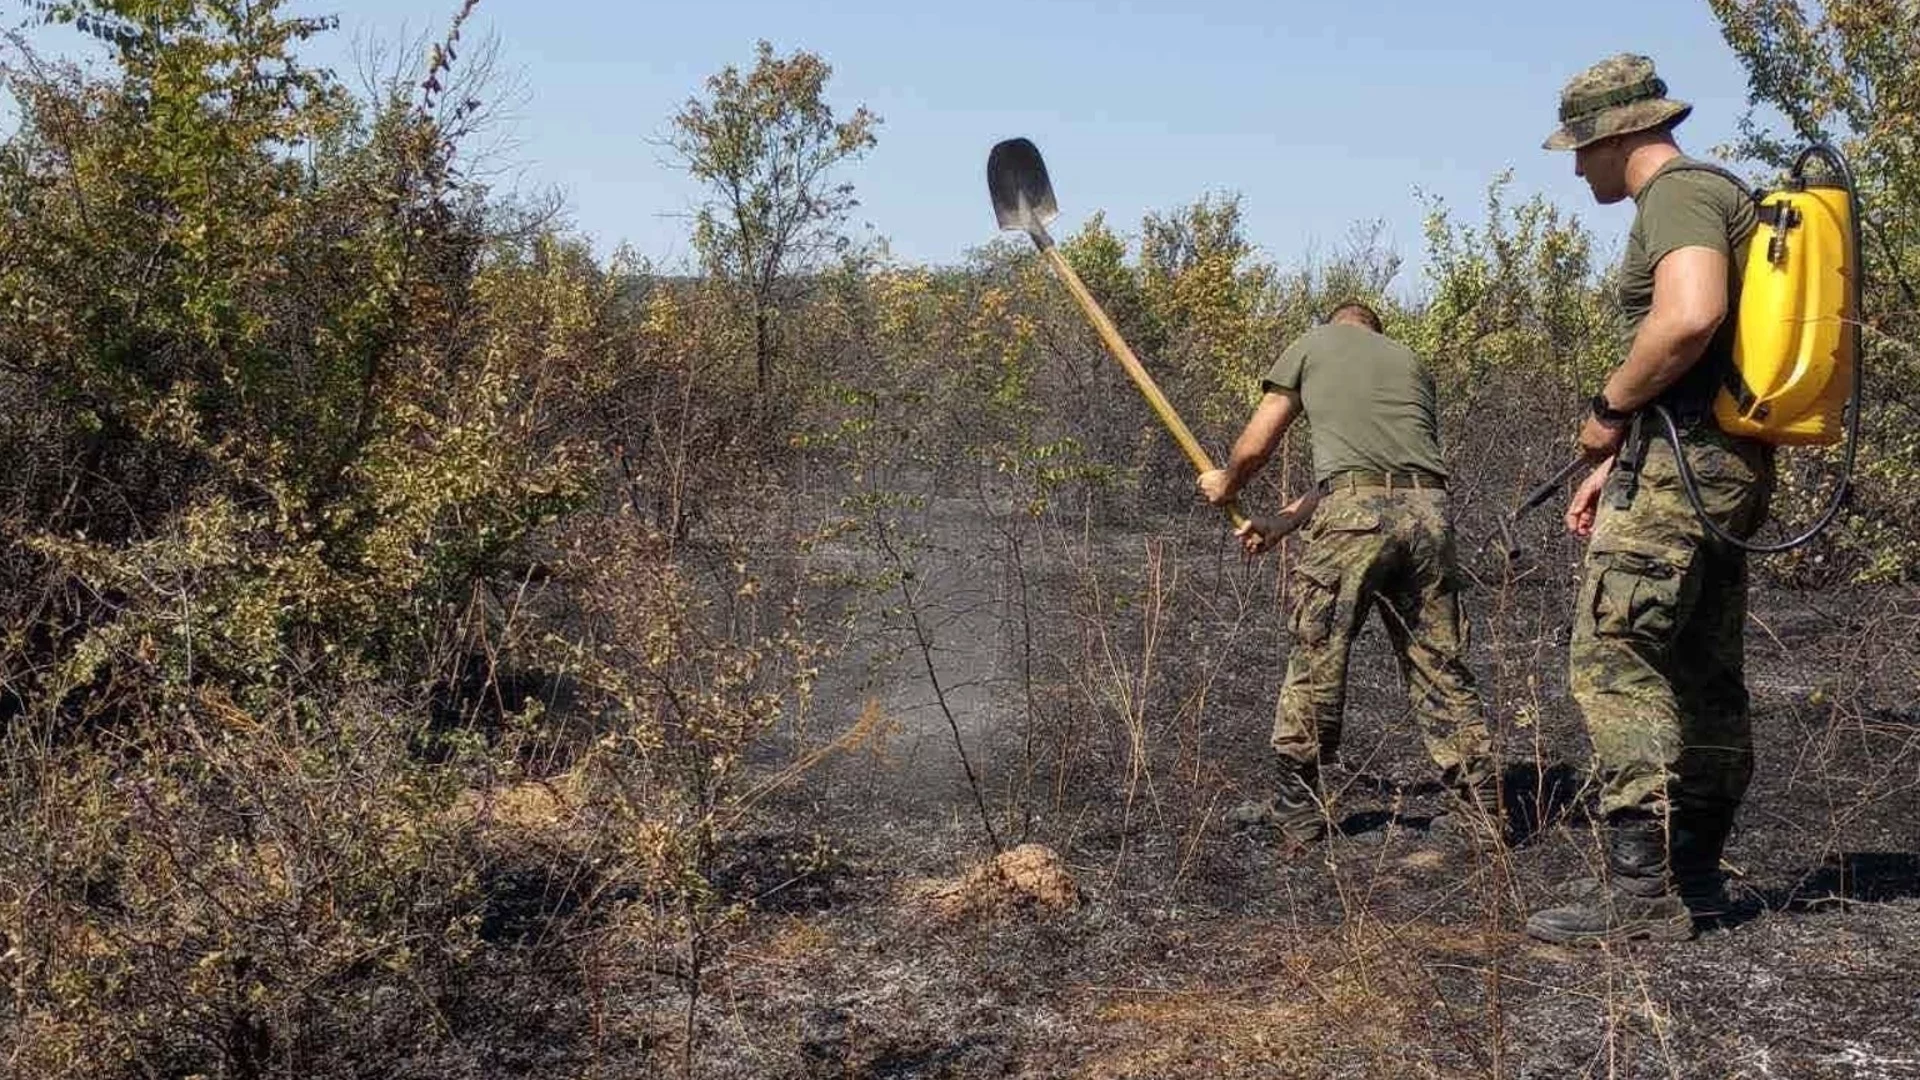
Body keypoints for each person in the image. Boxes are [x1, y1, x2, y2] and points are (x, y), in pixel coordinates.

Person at [1523, 54, 1773, 946]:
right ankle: (1696, 878)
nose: (1577, 167)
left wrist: (1607, 412)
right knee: (1701, 666)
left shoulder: (1675, 192)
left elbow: (1689, 316)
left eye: (1579, 150)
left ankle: (1642, 896)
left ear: (1613, 136)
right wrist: (1620, 458)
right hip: (1713, 462)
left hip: (1688, 465)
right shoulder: (1713, 192)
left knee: (1613, 656)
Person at [1198, 301, 1499, 844]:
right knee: (1438, 660)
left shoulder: (1313, 344)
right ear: (1374, 330)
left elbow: (1260, 441)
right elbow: (1360, 478)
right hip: (1430, 516)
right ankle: (1480, 813)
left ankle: (1298, 809)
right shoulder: (1409, 362)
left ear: (1337, 323)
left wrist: (1229, 483)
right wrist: (1279, 525)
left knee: (1316, 653)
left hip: (1353, 522)